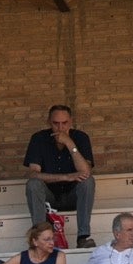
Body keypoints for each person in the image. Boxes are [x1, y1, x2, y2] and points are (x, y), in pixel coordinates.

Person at [23, 104, 96, 244]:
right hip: (48, 197)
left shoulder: (81, 137)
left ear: (71, 122)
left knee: (88, 181)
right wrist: (66, 177)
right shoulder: (39, 138)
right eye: (56, 123)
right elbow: (32, 174)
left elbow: (86, 171)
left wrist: (70, 143)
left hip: (74, 196)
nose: (60, 128)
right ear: (48, 122)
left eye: (65, 123)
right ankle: (40, 238)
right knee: (33, 184)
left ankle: (83, 237)